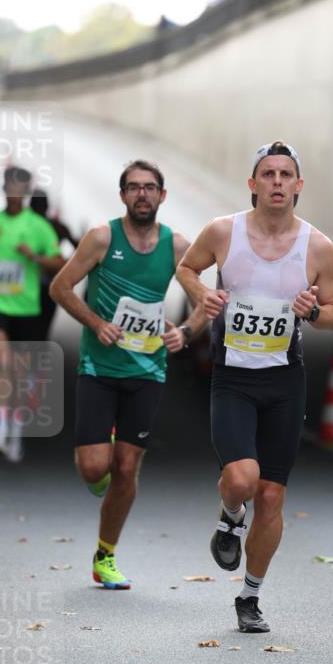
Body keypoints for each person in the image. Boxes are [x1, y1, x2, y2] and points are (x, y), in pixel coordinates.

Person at [176, 141, 333, 633]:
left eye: (285, 175)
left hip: (285, 382)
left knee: (271, 497)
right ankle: (230, 516)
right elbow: (186, 268)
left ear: (298, 185)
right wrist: (203, 294)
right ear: (252, 184)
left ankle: (249, 598)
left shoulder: (317, 246)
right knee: (242, 479)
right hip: (233, 378)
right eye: (268, 174)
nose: (277, 182)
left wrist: (313, 311)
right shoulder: (223, 232)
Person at [49, 159, 206, 590]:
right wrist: (96, 323)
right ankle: (101, 459)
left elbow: (206, 301)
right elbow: (60, 287)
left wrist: (185, 332)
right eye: (134, 187)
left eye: (150, 187)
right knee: (93, 467)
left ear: (162, 195)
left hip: (147, 371)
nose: (142, 194)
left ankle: (105, 556)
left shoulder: (177, 247)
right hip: (99, 367)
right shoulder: (102, 238)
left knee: (127, 466)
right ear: (122, 195)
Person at [0, 166, 64, 462]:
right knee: (3, 361)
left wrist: (34, 256)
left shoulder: (39, 227)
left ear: (26, 192)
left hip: (26, 308)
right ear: (4, 189)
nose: (14, 194)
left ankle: (15, 431)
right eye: (10, 188)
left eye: (20, 189)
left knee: (20, 374)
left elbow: (59, 262)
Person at [30, 190, 79, 338]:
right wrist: (64, 264)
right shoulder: (57, 226)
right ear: (47, 207)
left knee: (24, 326)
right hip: (49, 282)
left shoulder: (25, 225)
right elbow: (79, 249)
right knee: (43, 327)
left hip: (28, 282)